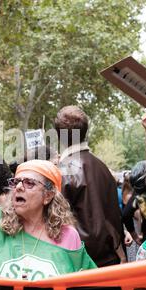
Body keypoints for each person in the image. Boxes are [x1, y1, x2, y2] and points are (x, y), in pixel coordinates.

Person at [0, 103, 96, 280]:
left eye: (29, 183)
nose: (19, 187)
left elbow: (86, 284)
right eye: (16, 181)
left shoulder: (68, 235)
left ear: (48, 196)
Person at [54, 105, 125, 267]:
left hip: (80, 262)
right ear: (85, 131)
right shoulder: (103, 167)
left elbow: (57, 222)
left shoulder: (63, 171)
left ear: (59, 136)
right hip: (110, 259)